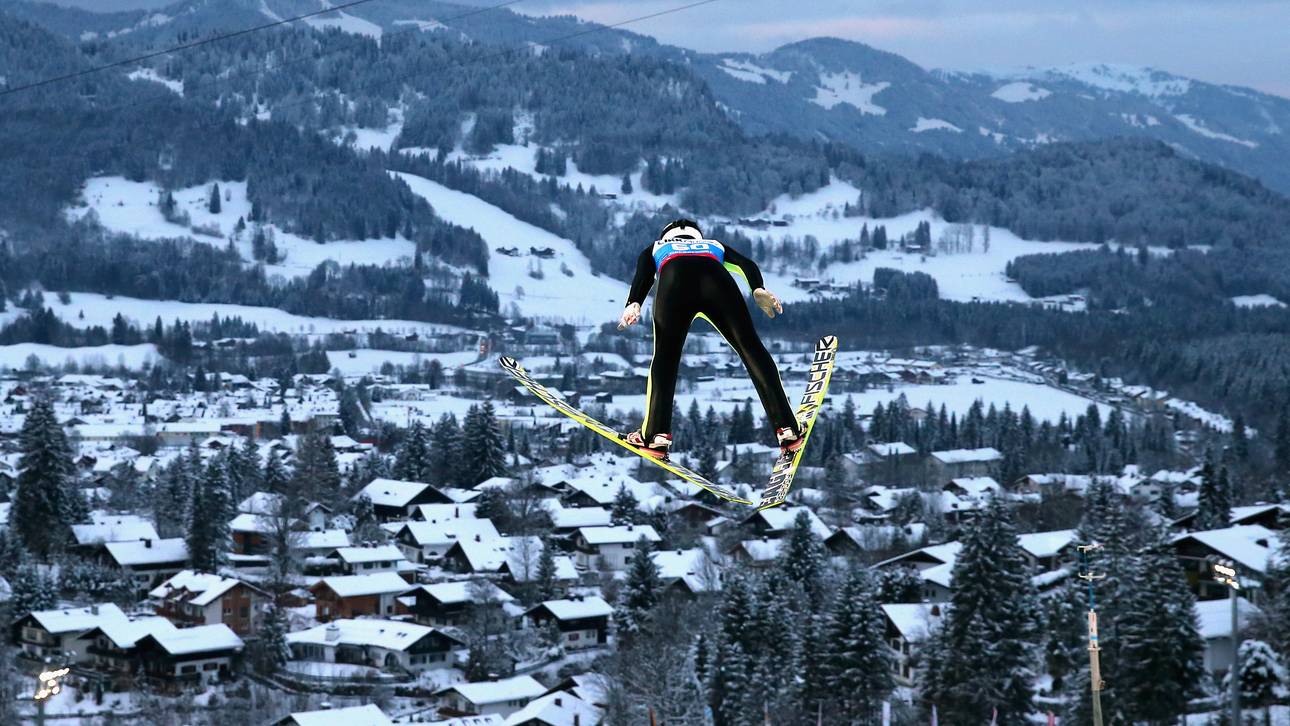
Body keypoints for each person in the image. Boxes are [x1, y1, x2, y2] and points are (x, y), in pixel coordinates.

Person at [618, 218, 802, 459]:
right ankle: (787, 428)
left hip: (674, 281)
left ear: (666, 236)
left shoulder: (657, 247)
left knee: (665, 357)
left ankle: (655, 435)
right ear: (697, 236)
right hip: (717, 281)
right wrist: (757, 288)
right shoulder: (713, 244)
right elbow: (746, 264)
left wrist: (633, 303)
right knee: (751, 347)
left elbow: (644, 274)